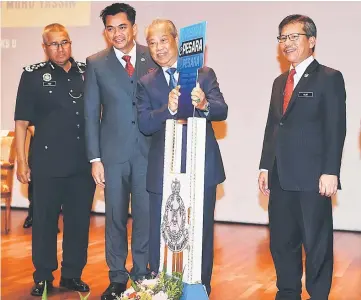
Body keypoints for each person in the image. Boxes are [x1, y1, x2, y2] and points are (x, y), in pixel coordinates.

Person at [136, 19, 228, 295]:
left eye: (163, 40)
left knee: (200, 233)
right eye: (152, 43)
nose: (158, 48)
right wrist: (168, 109)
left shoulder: (203, 73)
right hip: (163, 170)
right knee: (160, 234)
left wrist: (204, 104)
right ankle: (162, 290)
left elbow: (222, 110)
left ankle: (201, 290)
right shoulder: (146, 82)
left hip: (202, 166)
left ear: (176, 39)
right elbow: (145, 124)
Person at [258, 14, 346, 300]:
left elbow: (336, 127)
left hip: (313, 178)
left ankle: (318, 295)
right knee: (282, 242)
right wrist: (264, 166)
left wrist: (331, 170)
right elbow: (273, 126)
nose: (287, 43)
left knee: (317, 243)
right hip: (280, 175)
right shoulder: (278, 81)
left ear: (312, 41)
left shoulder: (330, 78)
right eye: (283, 38)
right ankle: (287, 292)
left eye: (294, 36)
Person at [14, 23, 95, 297]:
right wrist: (22, 163)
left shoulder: (88, 72)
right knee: (45, 222)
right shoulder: (32, 76)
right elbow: (22, 124)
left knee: (78, 222)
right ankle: (44, 277)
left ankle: (72, 275)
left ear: (70, 43)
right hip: (46, 163)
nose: (60, 49)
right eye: (54, 44)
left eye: (64, 42)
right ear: (45, 47)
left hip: (82, 164)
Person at [83, 3, 158, 299]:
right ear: (105, 32)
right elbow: (91, 113)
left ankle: (141, 274)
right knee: (114, 217)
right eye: (110, 28)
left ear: (134, 28)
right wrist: (95, 158)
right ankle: (117, 276)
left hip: (147, 152)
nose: (117, 33)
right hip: (112, 156)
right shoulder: (95, 63)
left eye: (122, 27)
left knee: (144, 216)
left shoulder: (152, 57)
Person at [23, 125, 34, 229]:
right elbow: (28, 123)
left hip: (59, 146)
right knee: (33, 182)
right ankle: (32, 215)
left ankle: (51, 221)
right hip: (38, 145)